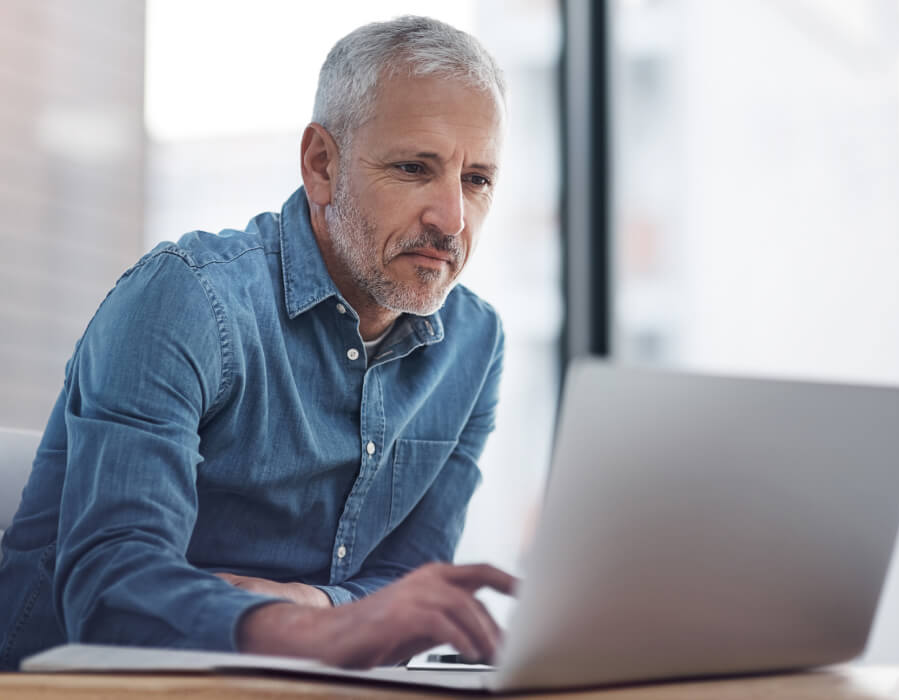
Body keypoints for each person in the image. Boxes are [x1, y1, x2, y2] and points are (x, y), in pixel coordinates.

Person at [0, 16, 516, 671]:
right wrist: (322, 633)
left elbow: (410, 579)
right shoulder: (187, 299)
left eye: (477, 179)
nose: (451, 219)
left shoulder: (475, 342)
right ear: (320, 165)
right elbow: (110, 589)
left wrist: (317, 606)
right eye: (414, 168)